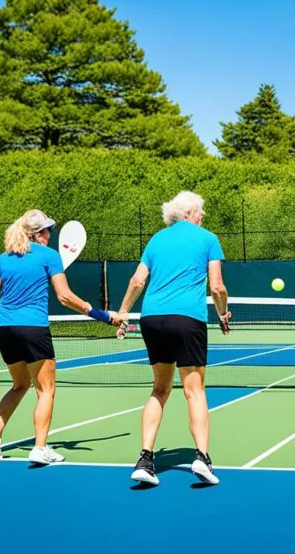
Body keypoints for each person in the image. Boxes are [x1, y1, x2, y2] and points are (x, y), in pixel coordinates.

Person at [0, 210, 115, 465]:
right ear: (38, 234)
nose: (50, 235)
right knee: (46, 389)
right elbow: (64, 296)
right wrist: (101, 315)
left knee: (19, 385)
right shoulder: (50, 256)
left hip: (5, 329)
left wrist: (2, 313)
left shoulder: (3, 259)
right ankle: (40, 448)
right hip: (33, 329)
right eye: (48, 230)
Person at [114, 191, 230, 487]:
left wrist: (124, 312)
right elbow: (217, 288)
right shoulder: (208, 239)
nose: (203, 215)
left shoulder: (156, 239)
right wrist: (223, 313)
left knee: (159, 389)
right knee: (195, 390)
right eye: (200, 210)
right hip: (187, 319)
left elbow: (138, 280)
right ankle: (202, 458)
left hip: (152, 320)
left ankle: (145, 459)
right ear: (189, 212)